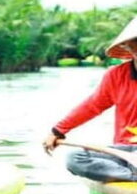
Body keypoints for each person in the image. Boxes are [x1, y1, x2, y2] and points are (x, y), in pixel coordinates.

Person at [42, 16, 137, 181]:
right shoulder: (116, 76)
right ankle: (130, 176)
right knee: (75, 158)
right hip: (122, 152)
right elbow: (92, 106)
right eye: (135, 42)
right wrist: (57, 131)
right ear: (128, 47)